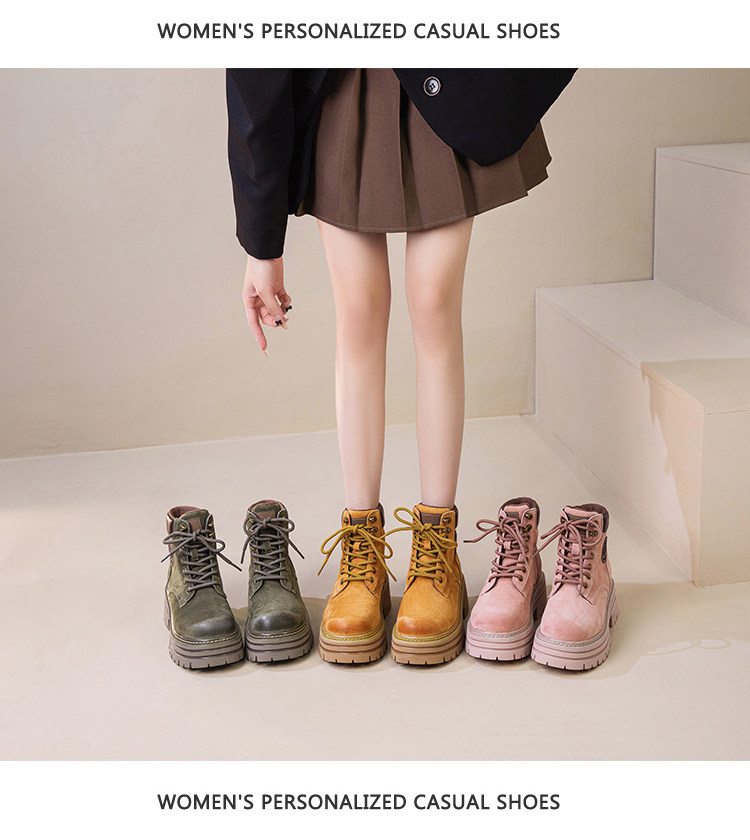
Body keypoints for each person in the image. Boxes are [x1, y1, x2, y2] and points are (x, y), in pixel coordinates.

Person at [226, 68, 585, 667]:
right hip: (339, 84)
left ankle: (437, 546)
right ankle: (361, 549)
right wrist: (260, 244)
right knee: (358, 309)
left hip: (445, 77)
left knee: (434, 301)